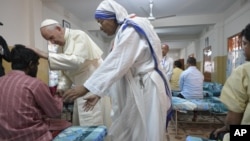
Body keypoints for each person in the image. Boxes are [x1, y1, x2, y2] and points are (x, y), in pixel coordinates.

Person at [63, 0, 172, 140]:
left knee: (146, 131)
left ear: (113, 17)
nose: (100, 27)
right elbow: (117, 68)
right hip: (136, 86)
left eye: (101, 21)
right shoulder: (121, 34)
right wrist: (98, 93)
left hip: (146, 86)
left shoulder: (132, 29)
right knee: (131, 128)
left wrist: (86, 87)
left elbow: (116, 63)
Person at [29, 19, 111, 127]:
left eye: (51, 38)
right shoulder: (60, 49)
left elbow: (76, 61)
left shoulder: (79, 36)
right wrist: (61, 88)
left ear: (58, 29)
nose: (52, 42)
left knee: (95, 127)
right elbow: (66, 74)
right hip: (79, 91)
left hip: (94, 89)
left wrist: (46, 55)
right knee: (82, 127)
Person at [0, 45, 64, 141]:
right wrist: (59, 96)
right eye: (37, 65)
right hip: (33, 136)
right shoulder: (35, 84)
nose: (36, 69)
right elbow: (55, 112)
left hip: (5, 137)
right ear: (31, 65)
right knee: (67, 125)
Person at [210, 23, 250, 141]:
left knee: (217, 135)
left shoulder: (243, 71)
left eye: (245, 43)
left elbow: (234, 119)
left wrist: (227, 128)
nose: (243, 48)